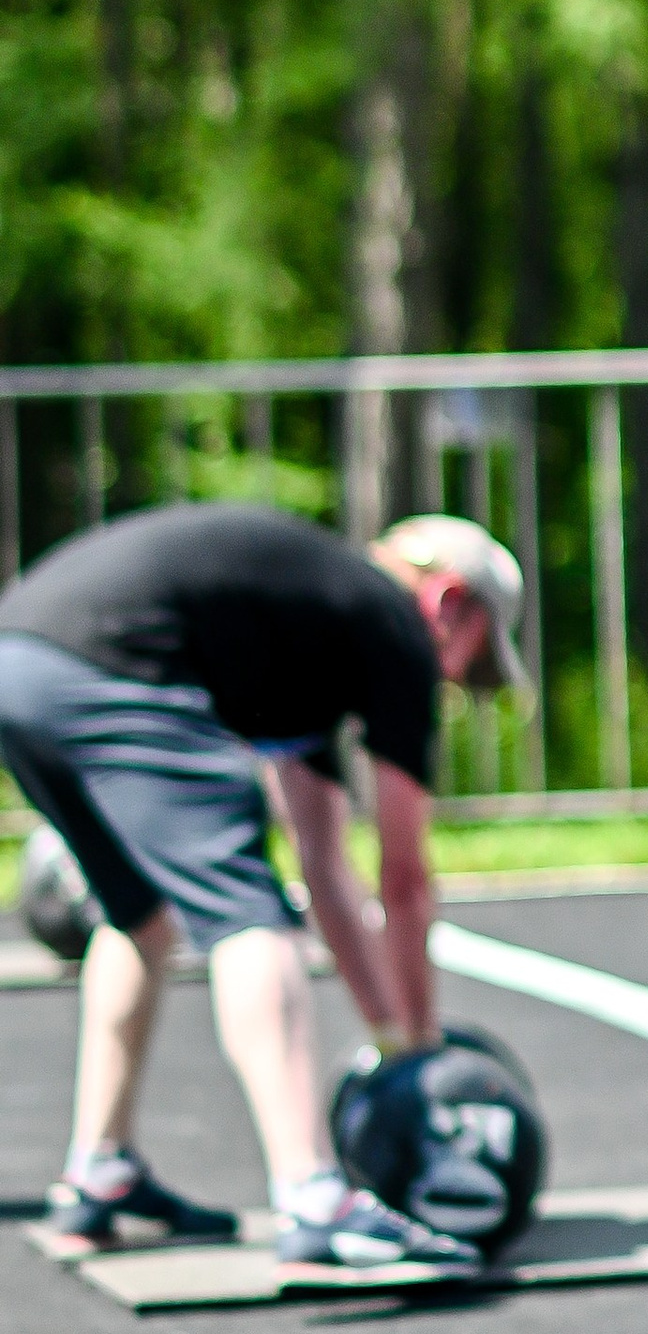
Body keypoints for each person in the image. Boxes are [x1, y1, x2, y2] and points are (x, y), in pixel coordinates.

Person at [5, 502, 527, 1268]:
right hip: (111, 663)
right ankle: (312, 1197)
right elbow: (404, 881)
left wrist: (389, 1035)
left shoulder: (307, 626)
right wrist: (420, 1060)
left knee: (140, 919)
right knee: (253, 917)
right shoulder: (392, 627)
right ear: (450, 603)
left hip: (22, 662)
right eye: (473, 657)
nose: (455, 679)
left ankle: (100, 1173)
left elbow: (327, 866)